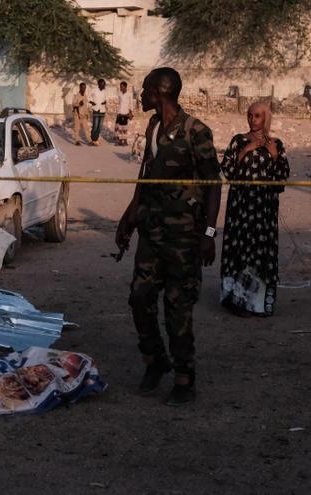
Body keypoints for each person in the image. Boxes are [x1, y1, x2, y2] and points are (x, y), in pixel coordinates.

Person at [115, 67, 222, 405]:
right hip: (151, 231)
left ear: (160, 91)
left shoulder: (196, 132)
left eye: (145, 89)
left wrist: (208, 233)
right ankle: (155, 361)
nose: (140, 95)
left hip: (184, 238)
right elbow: (145, 175)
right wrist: (128, 217)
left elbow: (213, 184)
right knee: (139, 299)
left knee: (177, 308)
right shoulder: (152, 126)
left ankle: (184, 377)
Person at [220, 102, 290, 316]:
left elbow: (282, 179)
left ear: (265, 118)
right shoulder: (238, 141)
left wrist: (275, 156)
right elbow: (227, 172)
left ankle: (258, 304)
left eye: (257, 115)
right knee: (238, 250)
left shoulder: (276, 144)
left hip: (264, 210)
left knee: (261, 252)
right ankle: (236, 301)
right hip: (239, 208)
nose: (253, 119)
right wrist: (243, 153)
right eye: (250, 115)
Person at [89, 79, 107, 145]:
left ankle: (96, 138)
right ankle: (93, 139)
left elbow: (105, 99)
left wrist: (105, 102)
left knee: (100, 126)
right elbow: (88, 97)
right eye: (102, 84)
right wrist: (92, 102)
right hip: (96, 109)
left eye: (104, 84)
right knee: (95, 125)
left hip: (102, 109)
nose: (104, 85)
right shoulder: (94, 90)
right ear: (99, 84)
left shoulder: (105, 91)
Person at [115, 81, 133, 146]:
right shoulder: (119, 94)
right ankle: (120, 141)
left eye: (122, 86)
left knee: (125, 128)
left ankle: (125, 141)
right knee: (120, 128)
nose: (120, 88)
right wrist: (118, 112)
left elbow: (131, 103)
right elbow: (119, 103)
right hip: (120, 112)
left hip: (126, 113)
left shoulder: (129, 94)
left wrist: (130, 112)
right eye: (120, 86)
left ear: (125, 87)